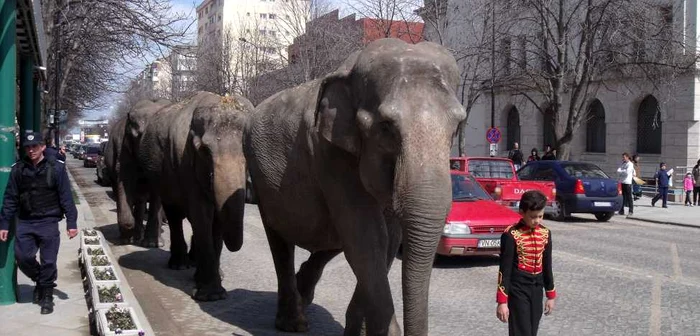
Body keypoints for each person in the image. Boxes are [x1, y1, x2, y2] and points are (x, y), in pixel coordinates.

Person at [0, 131, 78, 314]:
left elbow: (66, 197)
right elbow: (10, 198)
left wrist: (71, 223)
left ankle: (47, 297)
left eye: (34, 146)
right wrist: (4, 224)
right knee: (23, 257)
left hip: (48, 221)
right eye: (27, 147)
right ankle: (43, 283)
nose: (31, 150)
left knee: (48, 261)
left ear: (42, 147)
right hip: (26, 221)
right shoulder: (18, 169)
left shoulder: (56, 168)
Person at [496, 190, 556, 336]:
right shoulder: (510, 235)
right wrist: (502, 301)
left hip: (537, 287)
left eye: (540, 216)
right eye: (533, 217)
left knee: (532, 330)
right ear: (522, 212)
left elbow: (547, 265)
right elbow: (505, 269)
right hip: (518, 288)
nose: (537, 221)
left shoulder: (545, 233)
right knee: (521, 331)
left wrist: (550, 295)